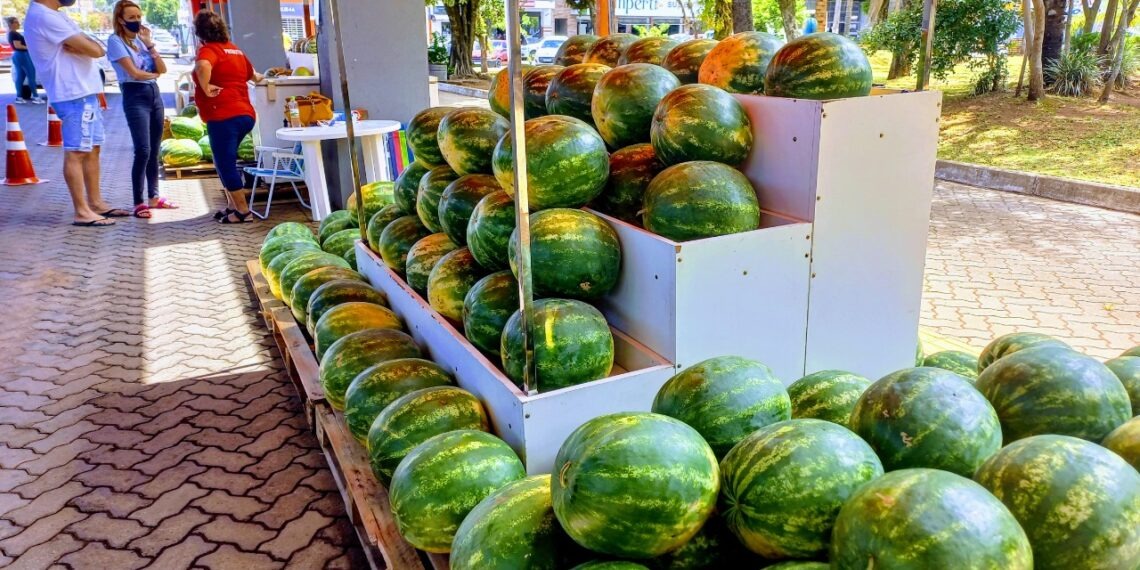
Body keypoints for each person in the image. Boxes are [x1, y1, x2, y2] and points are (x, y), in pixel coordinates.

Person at [24, 0, 128, 227]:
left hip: (84, 93)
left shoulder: (55, 14)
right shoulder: (45, 17)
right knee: (77, 151)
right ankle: (82, 211)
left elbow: (97, 48)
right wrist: (88, 47)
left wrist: (89, 46)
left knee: (92, 149)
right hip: (73, 94)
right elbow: (94, 49)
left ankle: (96, 203)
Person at [108, 0, 179, 218]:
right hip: (134, 95)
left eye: (138, 17)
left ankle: (154, 197)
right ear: (120, 20)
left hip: (154, 95)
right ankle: (139, 202)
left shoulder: (141, 39)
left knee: (155, 150)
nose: (137, 21)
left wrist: (150, 45)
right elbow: (135, 74)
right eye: (131, 18)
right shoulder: (115, 41)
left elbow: (163, 69)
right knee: (143, 150)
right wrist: (153, 74)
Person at [192, 10, 262, 224]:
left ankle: (243, 211)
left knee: (225, 163)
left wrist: (204, 87)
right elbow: (255, 76)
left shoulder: (209, 50)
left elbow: (202, 66)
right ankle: (232, 205)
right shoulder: (235, 51)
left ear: (199, 32)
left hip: (223, 115)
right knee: (223, 159)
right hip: (245, 115)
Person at [6, 17, 45, 104]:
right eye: (16, 22)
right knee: (31, 76)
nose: (18, 24)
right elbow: (18, 46)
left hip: (17, 55)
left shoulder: (11, 33)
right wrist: (30, 48)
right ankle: (36, 97)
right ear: (11, 24)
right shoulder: (14, 34)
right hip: (22, 55)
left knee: (20, 77)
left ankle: (19, 97)